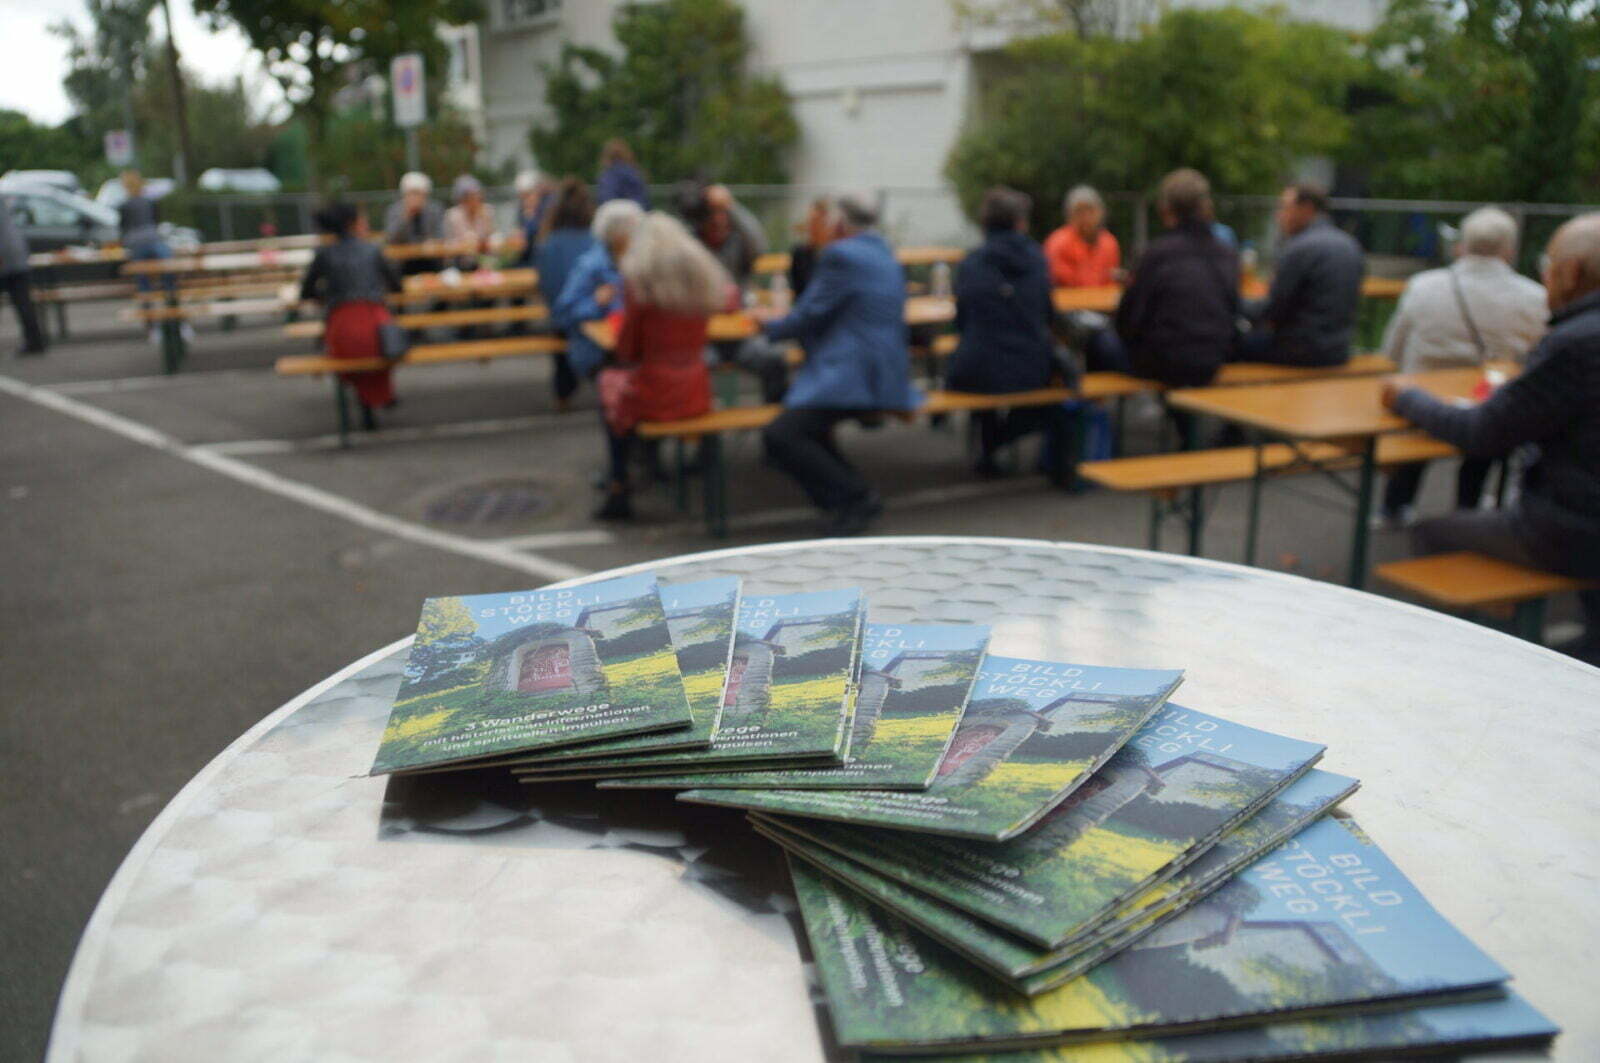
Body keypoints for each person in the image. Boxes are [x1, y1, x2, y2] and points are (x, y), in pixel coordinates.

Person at [1382, 213, 1600, 663]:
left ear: (1571, 271)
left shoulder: (1576, 341)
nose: (1545, 275)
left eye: (1549, 265)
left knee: (1431, 532)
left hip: (1573, 528)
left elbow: (1480, 433)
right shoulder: (1553, 317)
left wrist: (1407, 398)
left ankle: (1483, 659)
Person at [751, 190, 918, 536]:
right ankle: (848, 500)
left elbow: (809, 314)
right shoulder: (882, 251)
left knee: (780, 436)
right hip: (883, 367)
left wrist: (767, 325)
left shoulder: (841, 255)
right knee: (807, 431)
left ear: (840, 223)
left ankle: (854, 498)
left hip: (853, 369)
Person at [1377, 206, 1549, 526]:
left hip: (1419, 403)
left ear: (1462, 245)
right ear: (1509, 250)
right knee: (1485, 440)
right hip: (1488, 408)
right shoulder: (1535, 297)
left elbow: (1392, 350)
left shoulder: (1422, 285)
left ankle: (1394, 507)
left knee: (1418, 426)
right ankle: (1468, 510)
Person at [594, 213, 730, 520]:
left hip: (654, 393)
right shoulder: (700, 281)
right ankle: (649, 465)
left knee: (608, 384)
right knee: (621, 386)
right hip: (696, 392)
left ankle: (619, 483)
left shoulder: (641, 288)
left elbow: (626, 351)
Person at [946, 187, 1072, 482]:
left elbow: (961, 321)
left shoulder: (971, 263)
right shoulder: (1038, 260)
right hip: (1030, 367)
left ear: (984, 223)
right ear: (1021, 223)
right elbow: (1048, 316)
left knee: (982, 364)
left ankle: (989, 448)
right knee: (1049, 391)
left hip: (975, 368)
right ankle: (1003, 445)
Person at [1102, 168, 1240, 389]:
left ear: (1166, 209)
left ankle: (1096, 410)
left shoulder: (1157, 253)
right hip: (1212, 361)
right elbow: (1233, 310)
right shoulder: (1227, 253)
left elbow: (1128, 319)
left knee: (1100, 343)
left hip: (1162, 363)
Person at [299, 201, 404, 430]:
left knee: (352, 352)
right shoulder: (373, 249)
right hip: (376, 327)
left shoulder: (324, 253)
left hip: (342, 329)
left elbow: (306, 291)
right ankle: (381, 396)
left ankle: (367, 403)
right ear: (353, 223)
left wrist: (327, 296)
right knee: (386, 338)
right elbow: (397, 285)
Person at [1240, 181, 1364, 366]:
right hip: (1339, 350)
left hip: (1301, 351)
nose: (1279, 215)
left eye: (1285, 207)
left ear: (1306, 209)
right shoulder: (1350, 244)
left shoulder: (1300, 247)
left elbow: (1271, 311)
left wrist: (1233, 302)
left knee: (1226, 344)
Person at [551, 198, 643, 383]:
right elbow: (562, 315)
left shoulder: (640, 262)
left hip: (633, 342)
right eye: (633, 229)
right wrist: (595, 303)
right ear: (616, 234)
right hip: (596, 350)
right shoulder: (589, 266)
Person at [534, 178, 598, 406]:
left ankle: (563, 393)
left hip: (561, 317)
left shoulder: (548, 243)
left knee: (560, 326)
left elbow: (545, 285)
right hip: (592, 314)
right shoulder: (595, 241)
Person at [678, 181, 767, 288]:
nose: (718, 220)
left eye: (722, 211)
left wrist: (731, 206)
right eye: (712, 212)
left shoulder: (737, 241)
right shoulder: (694, 243)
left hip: (737, 296)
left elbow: (759, 246)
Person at [1043, 185, 1121, 289]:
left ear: (1101, 213)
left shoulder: (1109, 243)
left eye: (1091, 210)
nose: (1086, 217)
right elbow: (1059, 280)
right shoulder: (1058, 243)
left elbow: (1111, 282)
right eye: (1079, 211)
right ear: (1069, 215)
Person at [0, 193, 46, 355]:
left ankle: (34, 341)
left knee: (23, 303)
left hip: (6, 259)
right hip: (17, 257)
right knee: (23, 302)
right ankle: (35, 341)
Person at [383, 172, 446, 276]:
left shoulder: (435, 209)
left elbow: (442, 235)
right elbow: (391, 239)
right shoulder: (394, 211)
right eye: (411, 194)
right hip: (404, 262)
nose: (415, 198)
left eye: (418, 194)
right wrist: (406, 217)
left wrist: (434, 242)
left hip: (430, 259)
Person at [442, 175, 496, 270]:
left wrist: (485, 220)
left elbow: (491, 237)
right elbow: (448, 245)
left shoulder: (487, 211)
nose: (475, 199)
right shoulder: (453, 215)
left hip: (484, 260)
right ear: (462, 199)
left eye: (477, 195)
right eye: (470, 196)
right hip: (459, 262)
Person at [786, 196, 835, 298]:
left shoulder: (837, 255)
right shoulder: (800, 254)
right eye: (810, 223)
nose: (812, 229)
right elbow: (797, 291)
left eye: (817, 223)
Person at [511, 170, 553, 266]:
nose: (525, 200)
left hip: (540, 258)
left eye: (527, 195)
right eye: (522, 197)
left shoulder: (546, 208)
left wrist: (530, 218)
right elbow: (521, 232)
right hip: (527, 256)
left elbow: (537, 233)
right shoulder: (523, 209)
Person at [595, 139, 650, 208]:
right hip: (635, 209)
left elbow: (605, 198)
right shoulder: (635, 173)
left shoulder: (606, 175)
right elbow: (643, 200)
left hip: (611, 209)